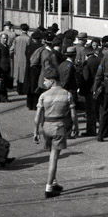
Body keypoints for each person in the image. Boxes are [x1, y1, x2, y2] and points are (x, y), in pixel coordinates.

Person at [33, 66, 79, 198]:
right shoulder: (67, 94)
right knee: (54, 157)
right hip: (59, 126)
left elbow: (37, 117)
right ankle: (48, 187)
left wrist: (35, 131)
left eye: (45, 80)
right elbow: (73, 115)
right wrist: (76, 126)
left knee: (51, 154)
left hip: (46, 126)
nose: (44, 83)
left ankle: (54, 181)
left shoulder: (43, 95)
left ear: (52, 81)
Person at [81, 43, 100, 136]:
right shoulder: (99, 60)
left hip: (89, 89)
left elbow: (86, 77)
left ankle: (91, 130)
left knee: (90, 111)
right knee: (99, 109)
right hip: (99, 87)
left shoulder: (86, 63)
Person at [10, 23, 31, 95]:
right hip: (26, 59)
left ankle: (19, 89)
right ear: (27, 30)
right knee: (25, 74)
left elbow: (12, 49)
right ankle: (24, 89)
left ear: (20, 30)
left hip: (18, 59)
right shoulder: (29, 39)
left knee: (18, 74)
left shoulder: (17, 38)